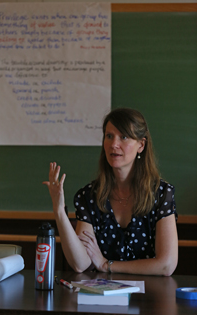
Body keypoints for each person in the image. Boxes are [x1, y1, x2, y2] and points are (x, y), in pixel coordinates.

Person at [43, 108, 178, 276]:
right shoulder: (89, 195)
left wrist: (107, 265)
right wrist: (59, 210)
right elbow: (80, 264)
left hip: (149, 296)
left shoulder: (162, 193)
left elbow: (166, 265)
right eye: (109, 136)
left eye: (124, 137)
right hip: (103, 296)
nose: (114, 144)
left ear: (141, 145)